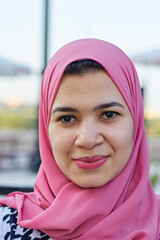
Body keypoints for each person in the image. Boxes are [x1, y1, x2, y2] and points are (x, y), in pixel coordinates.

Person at [0, 38, 160, 239]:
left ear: (136, 121)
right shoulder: (7, 226)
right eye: (67, 118)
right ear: (46, 127)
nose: (87, 139)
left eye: (108, 114)